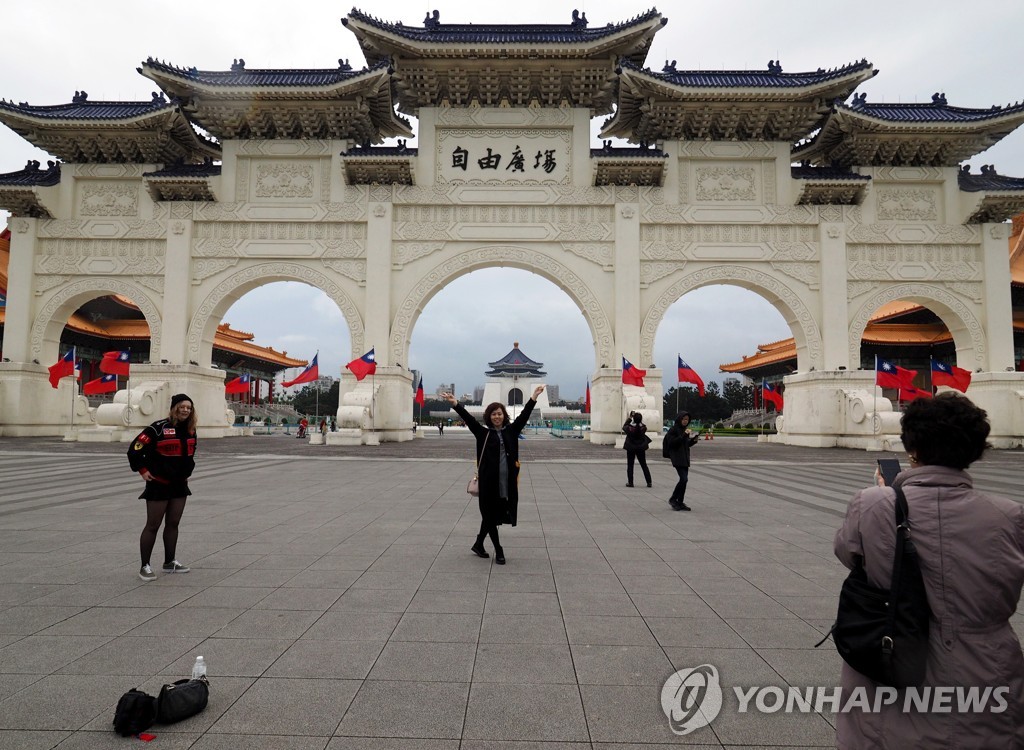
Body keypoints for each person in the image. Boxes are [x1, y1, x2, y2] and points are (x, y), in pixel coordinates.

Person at [833, 392, 1024, 749]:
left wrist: (888, 496)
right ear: (974, 450)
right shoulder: (1009, 514)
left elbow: (848, 554)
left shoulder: (873, 504)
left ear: (912, 448)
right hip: (986, 675)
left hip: (894, 664)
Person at [442, 385, 545, 565]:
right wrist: (455, 404)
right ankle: (499, 549)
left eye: (499, 413)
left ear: (504, 415)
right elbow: (469, 419)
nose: (497, 417)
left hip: (506, 483)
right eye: (493, 414)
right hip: (488, 483)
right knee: (489, 515)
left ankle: (478, 544)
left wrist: (534, 396)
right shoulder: (483, 434)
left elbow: (525, 415)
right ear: (489, 417)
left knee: (493, 516)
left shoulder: (512, 431)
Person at [127, 393, 197, 581]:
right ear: (174, 408)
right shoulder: (157, 428)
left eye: (189, 408)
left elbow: (190, 454)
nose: (185, 410)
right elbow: (135, 449)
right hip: (159, 485)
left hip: (179, 486)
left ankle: (169, 561)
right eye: (182, 406)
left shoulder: (190, 430)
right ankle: (145, 566)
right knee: (153, 525)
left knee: (173, 524)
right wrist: (142, 470)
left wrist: (186, 472)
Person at [663, 411, 699, 510]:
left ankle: (680, 501)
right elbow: (672, 443)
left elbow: (686, 444)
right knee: (684, 479)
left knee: (684, 480)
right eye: (683, 419)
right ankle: (673, 499)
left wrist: (693, 441)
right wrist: (683, 435)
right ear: (680, 419)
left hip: (685, 457)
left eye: (687, 419)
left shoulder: (685, 430)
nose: (685, 421)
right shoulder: (673, 430)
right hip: (677, 457)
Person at [622, 411, 652, 488]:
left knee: (630, 465)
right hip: (641, 448)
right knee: (644, 465)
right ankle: (649, 482)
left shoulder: (630, 428)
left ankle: (630, 482)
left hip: (631, 448)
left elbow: (624, 426)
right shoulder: (643, 428)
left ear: (634, 419)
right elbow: (641, 425)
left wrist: (629, 418)